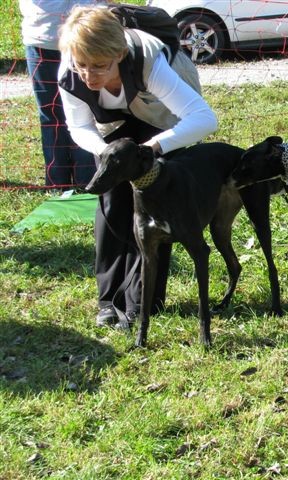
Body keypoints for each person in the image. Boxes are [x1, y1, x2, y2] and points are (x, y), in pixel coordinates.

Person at [57, 5, 219, 326]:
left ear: (119, 53)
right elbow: (79, 127)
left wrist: (150, 150)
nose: (89, 76)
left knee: (155, 197)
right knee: (111, 198)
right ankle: (108, 301)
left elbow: (204, 119)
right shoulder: (71, 71)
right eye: (83, 66)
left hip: (163, 122)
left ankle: (142, 301)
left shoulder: (150, 61)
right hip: (113, 127)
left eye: (100, 66)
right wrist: (107, 155)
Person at [19, 0, 102, 188]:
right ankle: (56, 183)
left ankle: (88, 180)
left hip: (87, 35)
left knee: (87, 112)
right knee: (51, 116)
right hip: (42, 37)